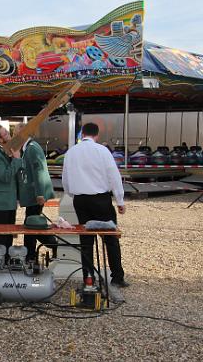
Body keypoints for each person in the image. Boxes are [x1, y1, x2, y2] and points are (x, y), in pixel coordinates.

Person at [61, 122, 129, 287]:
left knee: (86, 241)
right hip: (100, 199)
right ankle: (117, 277)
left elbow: (65, 179)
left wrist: (72, 193)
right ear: (96, 135)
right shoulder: (102, 150)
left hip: (80, 200)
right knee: (110, 238)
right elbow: (114, 176)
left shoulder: (71, 152)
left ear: (82, 134)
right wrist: (120, 200)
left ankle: (88, 278)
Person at [14, 123, 57, 261]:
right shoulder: (28, 148)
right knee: (31, 224)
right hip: (33, 193)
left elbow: (39, 171)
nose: (14, 137)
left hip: (36, 195)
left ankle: (52, 245)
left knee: (31, 224)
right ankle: (31, 255)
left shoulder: (32, 148)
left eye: (16, 134)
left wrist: (40, 193)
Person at [0, 125, 23, 254]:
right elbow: (5, 176)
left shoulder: (6, 150)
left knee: (9, 234)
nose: (9, 134)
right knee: (0, 236)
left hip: (9, 201)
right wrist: (16, 159)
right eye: (6, 133)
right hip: (0, 202)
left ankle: (6, 259)